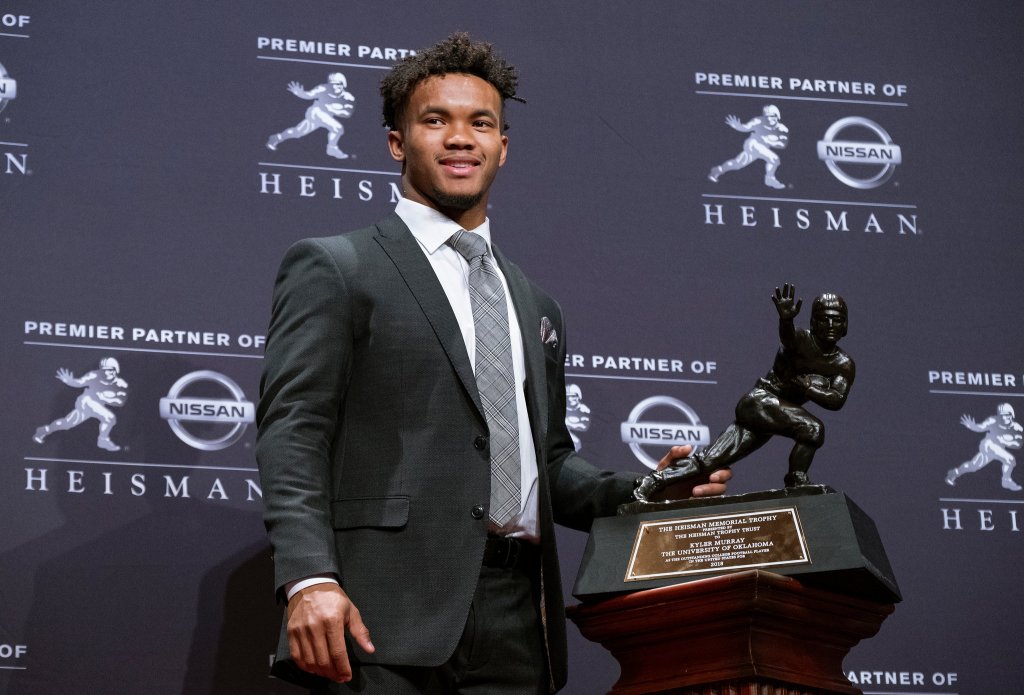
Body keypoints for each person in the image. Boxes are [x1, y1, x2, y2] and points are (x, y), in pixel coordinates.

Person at [256, 33, 730, 694]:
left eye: (480, 123)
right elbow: (294, 429)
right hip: (378, 616)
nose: (460, 138)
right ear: (397, 142)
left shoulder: (536, 304)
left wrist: (646, 491)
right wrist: (308, 577)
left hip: (517, 618)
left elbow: (549, 463)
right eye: (435, 120)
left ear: (502, 146)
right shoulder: (338, 267)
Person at [635, 284, 852, 500]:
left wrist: (808, 388)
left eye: (837, 319)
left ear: (846, 326)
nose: (831, 325)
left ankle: (651, 482)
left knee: (709, 461)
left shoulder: (843, 364)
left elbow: (836, 400)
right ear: (813, 322)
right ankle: (796, 479)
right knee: (812, 429)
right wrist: (786, 320)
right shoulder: (802, 340)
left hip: (773, 416)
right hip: (760, 402)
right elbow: (788, 340)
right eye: (824, 319)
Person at [33, 357, 128, 452]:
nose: (107, 373)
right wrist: (70, 381)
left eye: (110, 370)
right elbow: (80, 382)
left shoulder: (121, 385)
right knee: (109, 417)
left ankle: (45, 430)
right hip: (86, 401)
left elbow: (120, 402)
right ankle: (103, 440)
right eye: (104, 370)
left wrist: (106, 398)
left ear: (116, 370)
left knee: (67, 423)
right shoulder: (94, 375)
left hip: (98, 405)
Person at [266, 72, 356, 159]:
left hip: (326, 116)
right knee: (338, 128)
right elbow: (309, 94)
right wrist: (300, 93)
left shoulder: (348, 97)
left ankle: (277, 137)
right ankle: (332, 148)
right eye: (333, 84)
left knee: (297, 132)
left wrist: (333, 109)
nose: (335, 86)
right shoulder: (323, 88)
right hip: (316, 112)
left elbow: (347, 113)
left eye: (338, 84)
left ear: (343, 84)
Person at [707, 104, 789, 189]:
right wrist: (739, 126)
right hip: (753, 144)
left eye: (771, 116)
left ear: (777, 115)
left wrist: (769, 141)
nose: (768, 119)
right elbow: (746, 127)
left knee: (737, 164)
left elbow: (783, 145)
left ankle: (718, 170)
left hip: (762, 148)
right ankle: (769, 179)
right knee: (774, 159)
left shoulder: (782, 129)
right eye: (766, 116)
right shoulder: (758, 121)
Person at [946, 404, 1022, 491]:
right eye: (1002, 416)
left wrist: (1004, 441)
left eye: (1007, 415)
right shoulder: (993, 420)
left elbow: (1018, 444)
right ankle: (1006, 481)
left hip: (998, 449)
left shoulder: (1017, 428)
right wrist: (973, 426)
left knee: (973, 466)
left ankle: (954, 473)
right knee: (1010, 459)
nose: (1004, 418)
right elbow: (981, 427)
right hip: (988, 445)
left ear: (1012, 415)